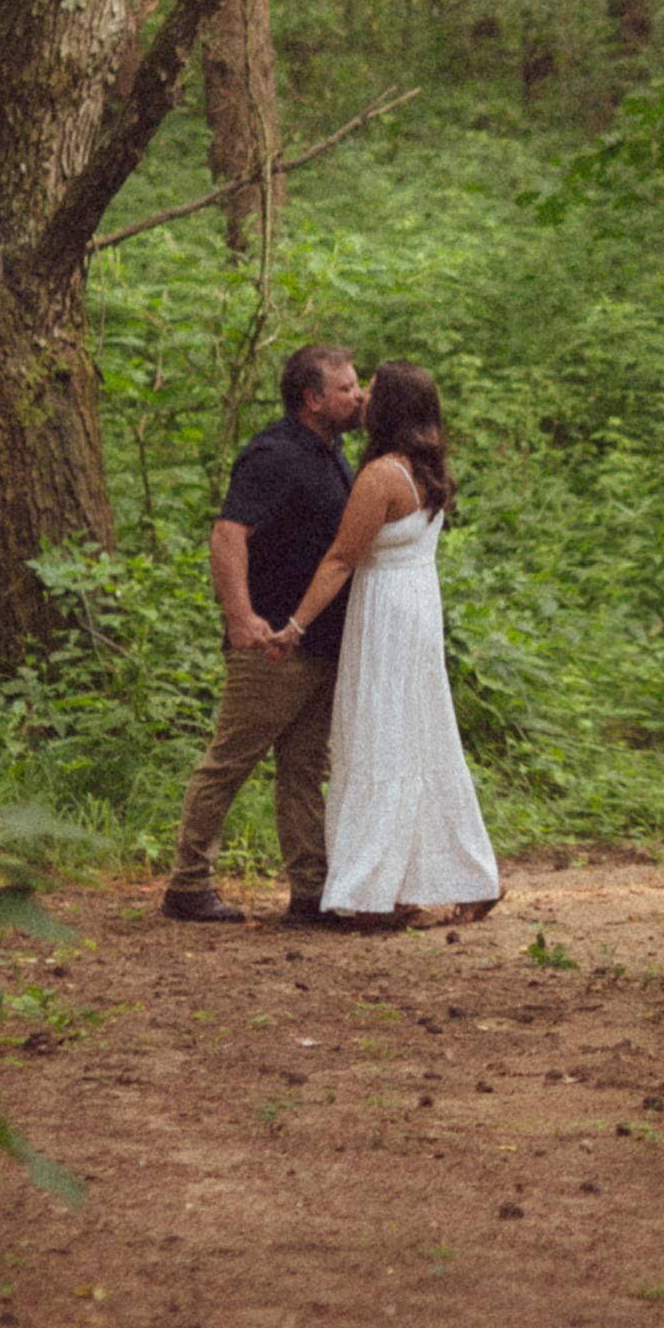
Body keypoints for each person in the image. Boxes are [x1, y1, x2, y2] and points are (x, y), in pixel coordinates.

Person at [271, 360, 501, 925]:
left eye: (371, 389)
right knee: (417, 738)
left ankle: (373, 889)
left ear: (392, 406)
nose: (362, 397)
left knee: (380, 738)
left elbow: (341, 558)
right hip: (415, 606)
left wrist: (295, 625)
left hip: (386, 614)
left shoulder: (381, 476)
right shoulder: (428, 470)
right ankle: (459, 877)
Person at [159, 344, 365, 926]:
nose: (358, 396)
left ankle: (310, 893)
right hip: (273, 645)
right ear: (313, 399)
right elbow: (228, 534)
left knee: (303, 770)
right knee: (230, 761)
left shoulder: (332, 453)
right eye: (347, 388)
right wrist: (241, 617)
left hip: (320, 642)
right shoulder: (274, 453)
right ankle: (188, 885)